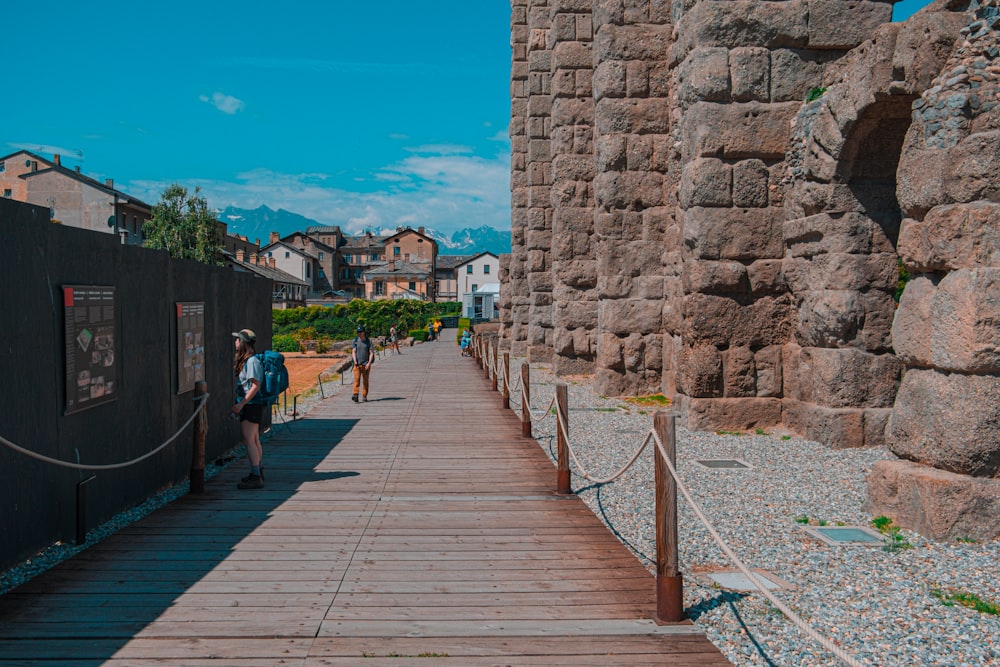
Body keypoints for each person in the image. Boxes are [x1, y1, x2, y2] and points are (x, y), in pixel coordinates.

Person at [232, 328, 265, 489]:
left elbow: (255, 385)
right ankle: (258, 469)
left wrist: (241, 404)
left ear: (244, 343)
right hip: (252, 405)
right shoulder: (250, 360)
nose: (235, 342)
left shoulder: (251, 361)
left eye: (238, 339)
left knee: (249, 440)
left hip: (251, 405)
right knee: (255, 439)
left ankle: (256, 475)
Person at [352, 325, 375, 402]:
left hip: (366, 365)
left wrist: (369, 363)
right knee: (356, 380)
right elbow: (353, 351)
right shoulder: (355, 341)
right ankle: (355, 394)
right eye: (358, 332)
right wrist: (355, 361)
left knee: (365, 381)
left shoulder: (368, 341)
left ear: (364, 332)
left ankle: (364, 395)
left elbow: (371, 353)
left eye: (360, 332)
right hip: (357, 364)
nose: (359, 333)